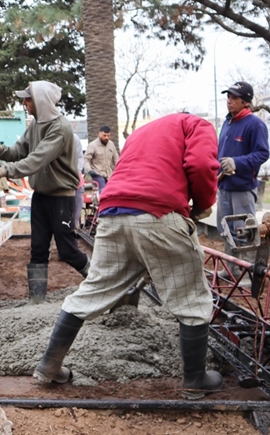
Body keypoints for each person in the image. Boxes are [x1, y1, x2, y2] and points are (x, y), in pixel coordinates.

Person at [33, 112, 223, 399]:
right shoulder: (197, 124)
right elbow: (200, 164)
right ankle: (195, 378)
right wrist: (204, 204)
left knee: (93, 290)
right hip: (158, 213)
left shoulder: (142, 132)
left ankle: (49, 366)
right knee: (192, 297)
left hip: (112, 213)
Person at [0, 81, 89, 304]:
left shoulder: (60, 128)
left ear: (40, 101)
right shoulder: (36, 125)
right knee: (38, 249)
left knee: (67, 251)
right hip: (42, 197)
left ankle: (100, 283)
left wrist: (2, 172)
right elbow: (19, 151)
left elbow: (37, 160)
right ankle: (36, 303)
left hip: (61, 198)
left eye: (28, 99)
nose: (24, 103)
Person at [216, 81, 269, 278]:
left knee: (244, 231)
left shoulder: (255, 125)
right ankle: (230, 268)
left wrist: (237, 163)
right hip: (225, 186)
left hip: (242, 188)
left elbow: (262, 154)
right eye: (228, 97)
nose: (229, 101)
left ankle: (246, 271)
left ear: (246, 102)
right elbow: (219, 152)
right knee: (226, 229)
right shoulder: (228, 123)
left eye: (234, 98)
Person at [83, 126, 119, 193]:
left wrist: (118, 171)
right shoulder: (92, 145)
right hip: (97, 174)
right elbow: (86, 160)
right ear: (99, 134)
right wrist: (90, 171)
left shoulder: (111, 145)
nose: (106, 137)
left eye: (108, 136)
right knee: (103, 191)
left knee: (114, 191)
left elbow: (116, 159)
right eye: (104, 135)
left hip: (110, 175)